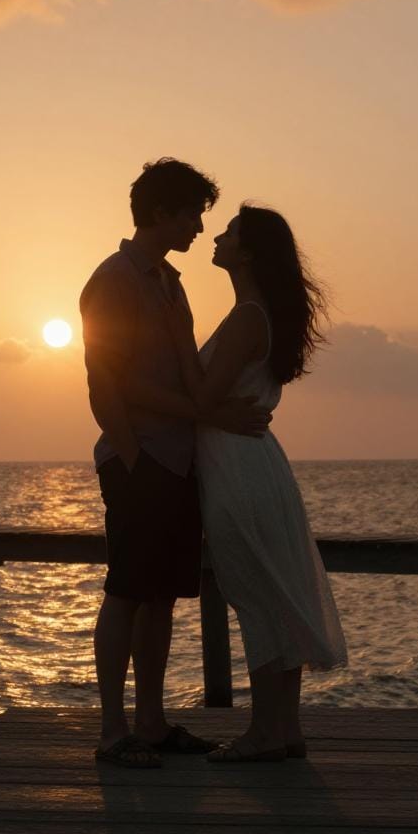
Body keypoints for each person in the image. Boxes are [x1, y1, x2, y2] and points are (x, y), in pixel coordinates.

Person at [79, 159, 272, 769]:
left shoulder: (171, 282)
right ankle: (114, 732)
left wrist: (217, 417)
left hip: (180, 458)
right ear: (160, 213)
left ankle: (152, 723)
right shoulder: (114, 279)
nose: (197, 226)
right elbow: (109, 381)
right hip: (141, 457)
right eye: (190, 213)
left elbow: (190, 377)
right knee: (127, 591)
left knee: (160, 595)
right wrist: (135, 455)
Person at [175, 205, 348, 762]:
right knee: (268, 594)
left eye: (228, 232)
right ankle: (282, 729)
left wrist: (176, 344)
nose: (216, 237)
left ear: (246, 252)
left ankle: (265, 733)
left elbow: (203, 398)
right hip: (251, 461)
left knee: (255, 595)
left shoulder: (249, 315)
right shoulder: (256, 312)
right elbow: (216, 401)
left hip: (237, 467)